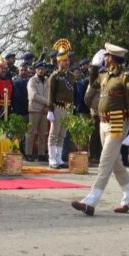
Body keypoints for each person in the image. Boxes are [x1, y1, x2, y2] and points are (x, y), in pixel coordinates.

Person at [71, 43, 129, 216]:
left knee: (105, 161)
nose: (104, 58)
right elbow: (93, 83)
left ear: (113, 58)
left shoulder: (126, 78)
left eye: (106, 55)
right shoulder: (105, 75)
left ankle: (91, 200)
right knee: (116, 163)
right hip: (103, 122)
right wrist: (93, 66)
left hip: (117, 123)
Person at [47, 41, 74, 169]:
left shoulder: (70, 76)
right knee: (54, 134)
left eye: (67, 60)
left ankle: (59, 158)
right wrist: (50, 110)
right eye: (64, 61)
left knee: (62, 134)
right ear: (59, 62)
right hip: (57, 107)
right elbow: (51, 94)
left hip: (68, 108)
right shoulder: (54, 76)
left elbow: (71, 93)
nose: (67, 63)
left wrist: (72, 108)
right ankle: (52, 158)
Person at [26, 61, 50, 162]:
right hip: (34, 109)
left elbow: (49, 93)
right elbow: (33, 95)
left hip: (44, 110)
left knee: (43, 133)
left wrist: (47, 106)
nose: (41, 70)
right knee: (31, 132)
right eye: (39, 69)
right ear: (36, 70)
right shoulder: (32, 80)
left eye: (43, 69)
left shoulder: (46, 80)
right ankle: (28, 153)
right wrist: (47, 102)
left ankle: (41, 154)